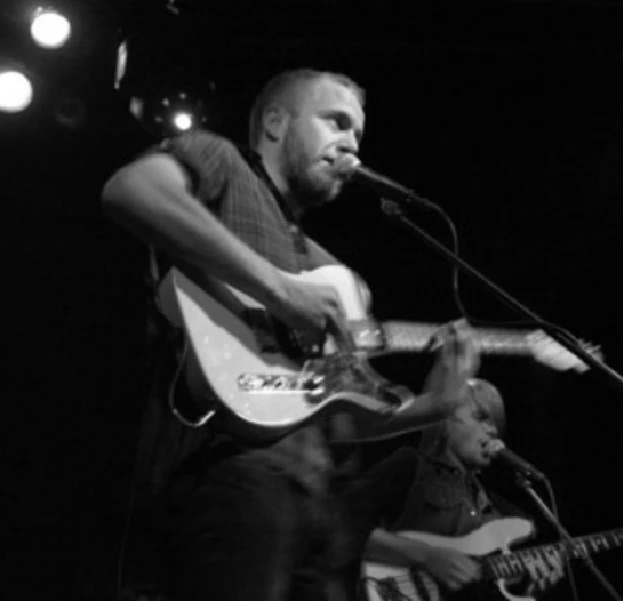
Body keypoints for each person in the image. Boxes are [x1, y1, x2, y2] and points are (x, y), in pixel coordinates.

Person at [101, 68, 481, 601]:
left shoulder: (335, 275)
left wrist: (435, 404)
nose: (350, 143)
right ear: (276, 122)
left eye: (357, 134)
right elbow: (131, 190)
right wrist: (279, 289)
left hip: (323, 507)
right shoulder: (220, 159)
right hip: (229, 469)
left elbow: (336, 418)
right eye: (336, 121)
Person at [360, 378, 567, 601]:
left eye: (496, 423)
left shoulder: (497, 509)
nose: (493, 430)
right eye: (481, 418)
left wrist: (528, 588)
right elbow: (341, 529)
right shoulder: (409, 467)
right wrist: (426, 556)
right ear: (443, 421)